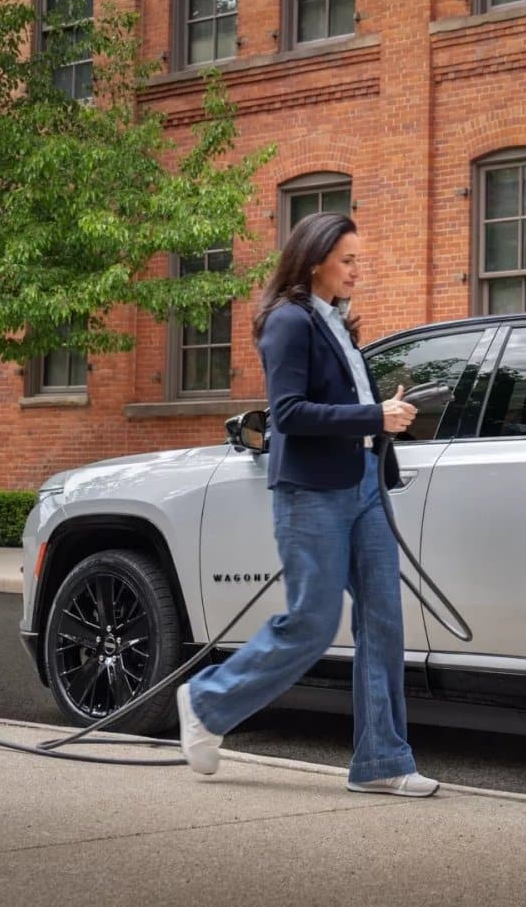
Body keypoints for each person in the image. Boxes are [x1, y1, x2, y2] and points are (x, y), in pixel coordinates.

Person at [176, 212, 437, 797]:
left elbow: (340, 404)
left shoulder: (337, 323)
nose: (356, 271)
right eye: (347, 260)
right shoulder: (287, 323)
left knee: (383, 621)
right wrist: (374, 415)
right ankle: (206, 702)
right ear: (314, 259)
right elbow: (287, 415)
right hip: (313, 494)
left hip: (363, 483)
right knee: (311, 624)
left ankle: (381, 762)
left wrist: (380, 412)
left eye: (358, 261)